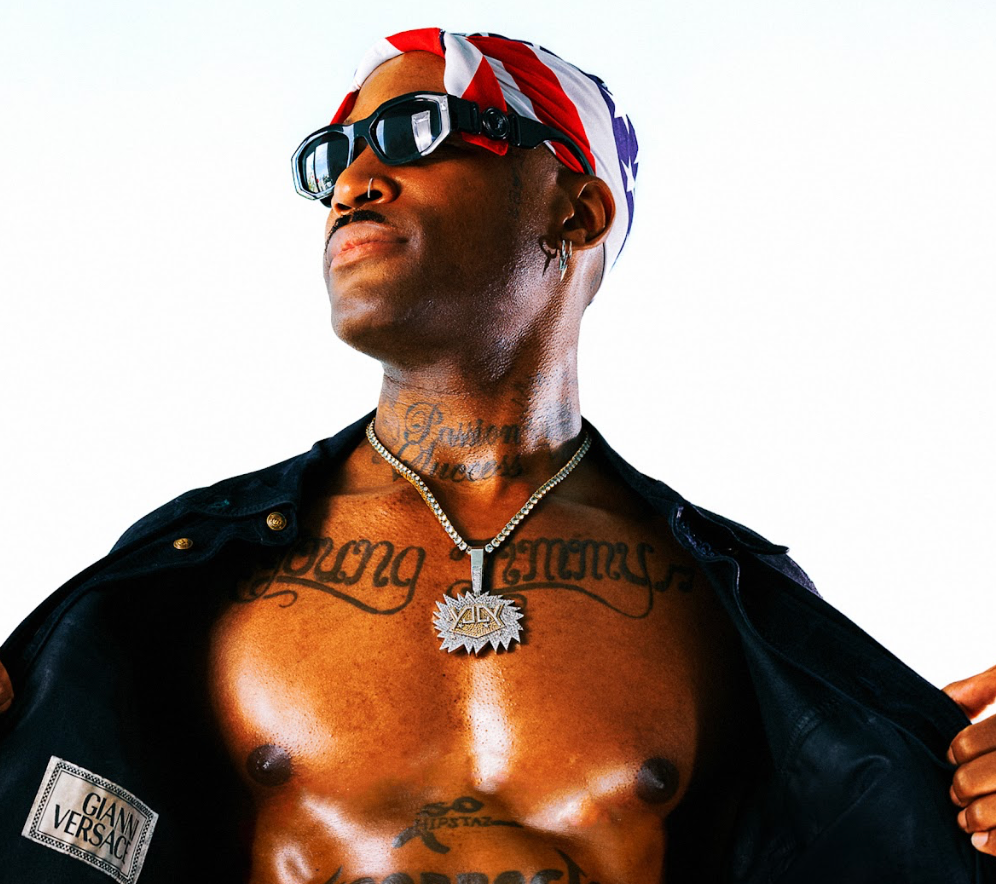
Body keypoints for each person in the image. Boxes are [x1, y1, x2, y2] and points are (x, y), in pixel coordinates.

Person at [0, 28, 995, 884]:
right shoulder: (183, 577)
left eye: (415, 134)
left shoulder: (739, 611)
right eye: (333, 157)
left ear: (577, 210)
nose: (351, 183)